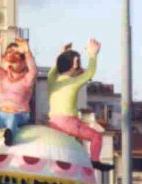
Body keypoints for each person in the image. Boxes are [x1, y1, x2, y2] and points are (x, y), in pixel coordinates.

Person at [47, 39, 111, 170]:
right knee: (96, 136)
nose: (82, 69)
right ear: (75, 65)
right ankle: (94, 161)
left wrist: (62, 55)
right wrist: (93, 55)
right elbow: (90, 73)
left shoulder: (53, 81)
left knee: (70, 146)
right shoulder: (73, 82)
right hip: (69, 122)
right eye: (79, 65)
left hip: (53, 122)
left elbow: (51, 71)